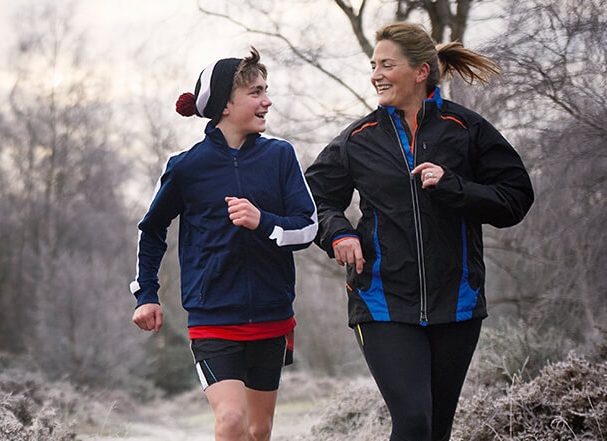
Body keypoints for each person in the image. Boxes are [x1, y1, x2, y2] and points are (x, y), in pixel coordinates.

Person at [304, 23, 534, 441]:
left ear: (421, 71)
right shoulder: (359, 139)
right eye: (373, 65)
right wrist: (338, 233)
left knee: (436, 430)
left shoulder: (465, 128)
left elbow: (516, 197)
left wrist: (454, 187)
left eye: (387, 65)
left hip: (457, 301)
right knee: (413, 421)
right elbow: (311, 198)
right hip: (381, 300)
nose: (376, 75)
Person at [130, 47, 317, 441]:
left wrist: (263, 221)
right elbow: (152, 230)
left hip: (271, 314)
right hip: (212, 318)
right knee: (231, 421)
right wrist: (146, 294)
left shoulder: (280, 156)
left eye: (266, 90)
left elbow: (308, 227)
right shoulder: (187, 167)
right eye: (255, 92)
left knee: (258, 430)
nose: (267, 101)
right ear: (225, 106)